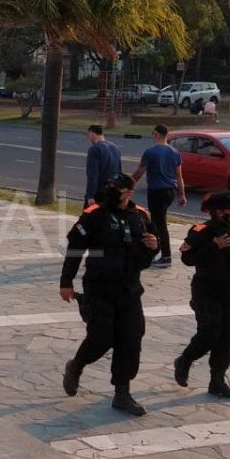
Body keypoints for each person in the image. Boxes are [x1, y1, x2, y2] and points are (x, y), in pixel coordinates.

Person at [60, 173, 159, 416]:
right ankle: (76, 366)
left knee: (131, 338)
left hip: (129, 289)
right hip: (99, 287)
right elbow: (75, 249)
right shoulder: (94, 214)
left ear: (129, 193)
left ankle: (122, 393)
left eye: (117, 188)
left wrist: (153, 247)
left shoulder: (142, 216)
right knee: (101, 338)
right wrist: (66, 282)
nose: (112, 191)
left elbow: (150, 253)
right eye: (109, 187)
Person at [173, 192, 230, 400]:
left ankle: (217, 381)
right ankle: (185, 360)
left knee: (227, 336)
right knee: (210, 332)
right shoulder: (201, 231)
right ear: (218, 211)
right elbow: (187, 258)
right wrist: (213, 246)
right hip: (207, 291)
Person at [131, 125, 187, 268]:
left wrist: (128, 184)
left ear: (155, 134)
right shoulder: (175, 152)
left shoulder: (150, 152)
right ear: (167, 135)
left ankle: (165, 255)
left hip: (157, 191)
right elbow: (179, 176)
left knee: (158, 224)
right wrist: (182, 195)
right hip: (170, 191)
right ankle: (159, 251)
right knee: (158, 221)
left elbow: (140, 171)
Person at [84, 125, 122, 207]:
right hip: (112, 191)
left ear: (92, 134)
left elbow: (93, 174)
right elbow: (119, 171)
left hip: (99, 191)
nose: (88, 138)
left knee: (89, 218)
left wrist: (90, 195)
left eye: (88, 135)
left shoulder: (95, 149)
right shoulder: (115, 148)